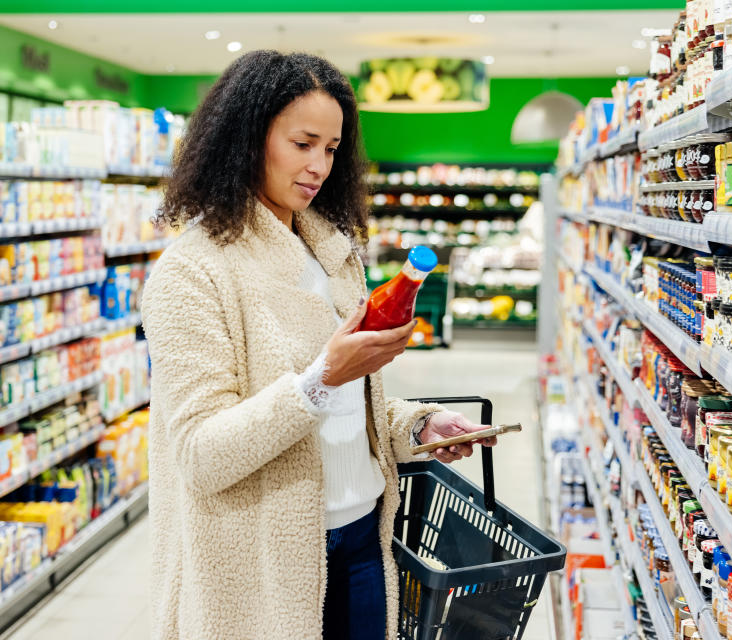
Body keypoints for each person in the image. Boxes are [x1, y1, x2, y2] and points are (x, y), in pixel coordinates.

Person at [141, 50, 496, 640]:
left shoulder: (329, 253)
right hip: (261, 563)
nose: (319, 166)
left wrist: (415, 427)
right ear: (247, 138)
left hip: (362, 540)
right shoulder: (192, 273)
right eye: (303, 143)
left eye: (331, 149)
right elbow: (202, 456)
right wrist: (323, 376)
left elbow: (345, 408)